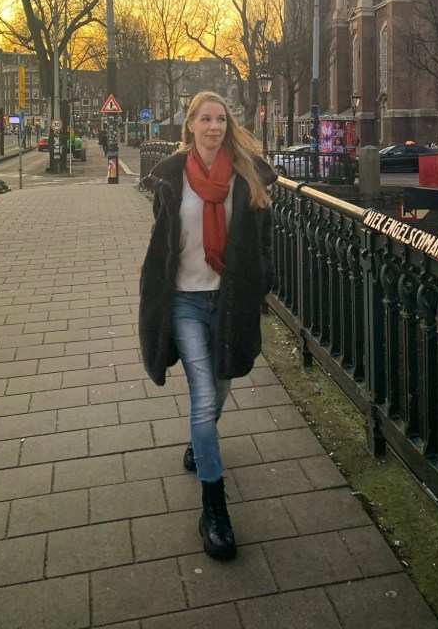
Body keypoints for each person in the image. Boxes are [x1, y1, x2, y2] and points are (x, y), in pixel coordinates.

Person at [139, 90, 276, 561]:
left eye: (221, 119)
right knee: (202, 397)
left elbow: (262, 241)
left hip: (229, 301)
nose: (214, 126)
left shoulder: (246, 174)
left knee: (220, 389)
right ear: (191, 125)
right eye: (205, 119)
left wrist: (261, 282)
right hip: (185, 300)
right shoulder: (172, 175)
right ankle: (214, 510)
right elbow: (163, 240)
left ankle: (201, 442)